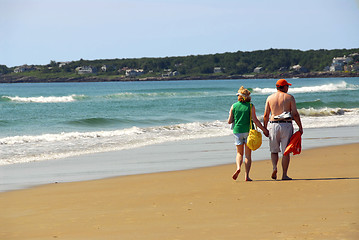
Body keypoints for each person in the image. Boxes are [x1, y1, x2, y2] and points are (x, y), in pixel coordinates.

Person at [263, 79, 303, 180]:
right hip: (286, 125)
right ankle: (284, 174)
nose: (288, 88)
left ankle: (274, 167)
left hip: (273, 125)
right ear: (284, 87)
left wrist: (265, 128)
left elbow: (266, 115)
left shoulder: (270, 98)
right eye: (287, 86)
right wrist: (300, 127)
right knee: (286, 151)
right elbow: (295, 114)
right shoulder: (289, 98)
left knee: (274, 150)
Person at [228, 86, 269, 181]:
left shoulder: (234, 106)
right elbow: (255, 120)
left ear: (239, 96)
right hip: (248, 132)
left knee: (239, 153)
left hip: (237, 131)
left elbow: (229, 121)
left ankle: (238, 167)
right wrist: (264, 129)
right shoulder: (251, 106)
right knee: (248, 155)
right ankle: (247, 176)